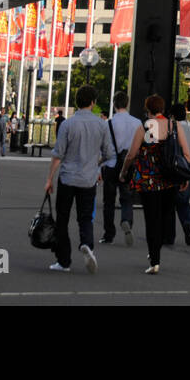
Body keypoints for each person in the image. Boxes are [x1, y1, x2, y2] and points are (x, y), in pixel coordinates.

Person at [44, 85, 115, 274]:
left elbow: (58, 154)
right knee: (85, 217)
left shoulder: (67, 124)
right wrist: (96, 163)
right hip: (89, 178)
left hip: (67, 177)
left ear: (77, 101)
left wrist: (49, 178)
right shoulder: (101, 124)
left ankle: (64, 260)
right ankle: (86, 244)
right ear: (93, 102)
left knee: (63, 219)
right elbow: (109, 153)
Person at [120, 94, 176, 273]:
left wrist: (123, 171)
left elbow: (132, 153)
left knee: (151, 219)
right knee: (163, 217)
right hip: (168, 179)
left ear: (148, 109)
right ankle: (156, 252)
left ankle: (154, 261)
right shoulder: (172, 125)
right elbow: (184, 152)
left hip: (148, 180)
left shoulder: (145, 126)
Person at [100, 91, 138, 245]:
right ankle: (127, 219)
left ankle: (109, 234)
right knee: (127, 197)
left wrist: (98, 169)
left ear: (114, 104)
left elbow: (102, 147)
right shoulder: (137, 123)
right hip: (128, 164)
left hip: (110, 164)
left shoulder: (107, 123)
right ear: (127, 104)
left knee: (108, 201)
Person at [166, 103, 190, 246]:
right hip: (186, 171)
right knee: (183, 202)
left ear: (172, 116)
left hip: (171, 170)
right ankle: (187, 224)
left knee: (169, 205)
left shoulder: (170, 130)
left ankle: (169, 237)